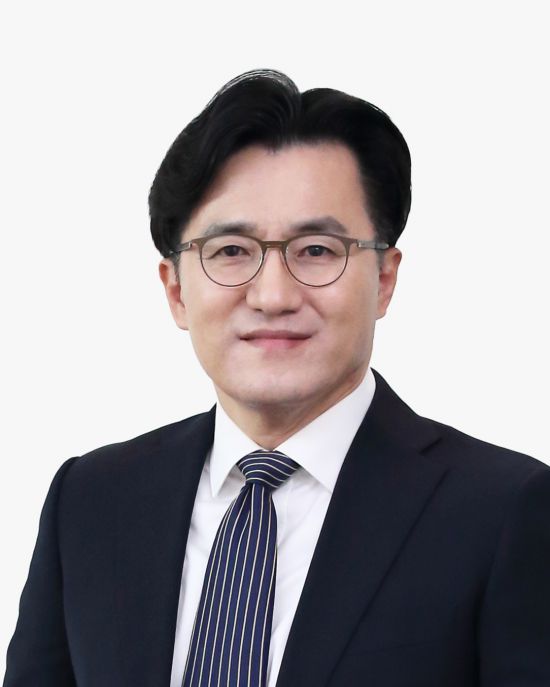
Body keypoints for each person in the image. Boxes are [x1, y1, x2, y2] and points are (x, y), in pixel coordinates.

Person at [3, 68, 549, 687]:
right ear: (176, 290)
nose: (272, 296)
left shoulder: (505, 511)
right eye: (231, 251)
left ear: (384, 280)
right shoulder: (91, 500)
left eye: (316, 250)